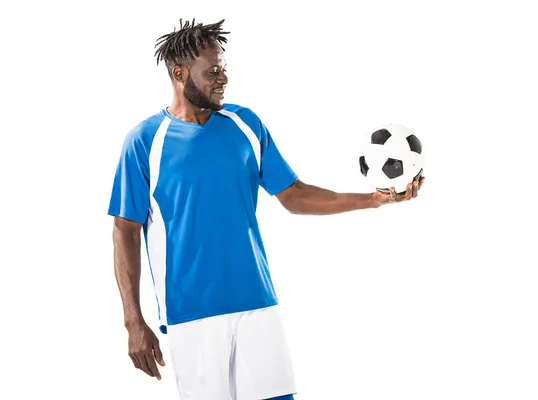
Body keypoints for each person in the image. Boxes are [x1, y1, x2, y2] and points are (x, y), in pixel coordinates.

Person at [107, 18, 425, 400]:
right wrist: (133, 321)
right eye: (212, 71)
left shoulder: (245, 124)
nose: (222, 78)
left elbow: (294, 195)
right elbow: (125, 229)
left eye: (223, 67)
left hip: (257, 302)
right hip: (191, 314)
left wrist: (375, 200)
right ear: (179, 73)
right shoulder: (144, 142)